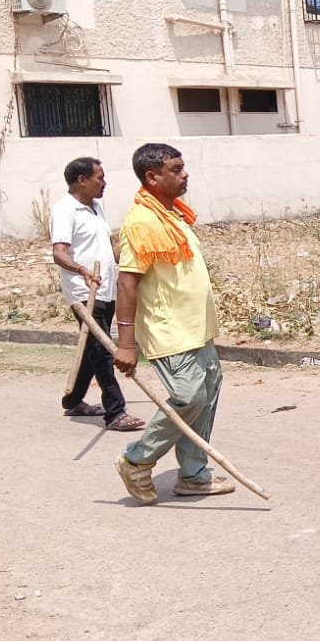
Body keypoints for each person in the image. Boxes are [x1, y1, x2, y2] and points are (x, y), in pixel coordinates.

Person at [113, 143, 231, 503]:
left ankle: (193, 474)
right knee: (188, 395)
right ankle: (137, 459)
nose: (185, 174)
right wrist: (126, 343)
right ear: (152, 177)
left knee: (206, 395)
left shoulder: (171, 215)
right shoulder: (141, 223)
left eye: (183, 168)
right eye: (176, 169)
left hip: (197, 327)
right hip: (169, 331)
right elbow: (127, 282)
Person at [51, 157, 144, 432]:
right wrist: (82, 270)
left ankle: (73, 399)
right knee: (103, 352)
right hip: (84, 293)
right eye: (99, 178)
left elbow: (110, 248)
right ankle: (115, 412)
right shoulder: (65, 210)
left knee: (93, 348)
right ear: (82, 180)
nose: (104, 183)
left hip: (106, 289)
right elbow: (59, 252)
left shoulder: (95, 208)